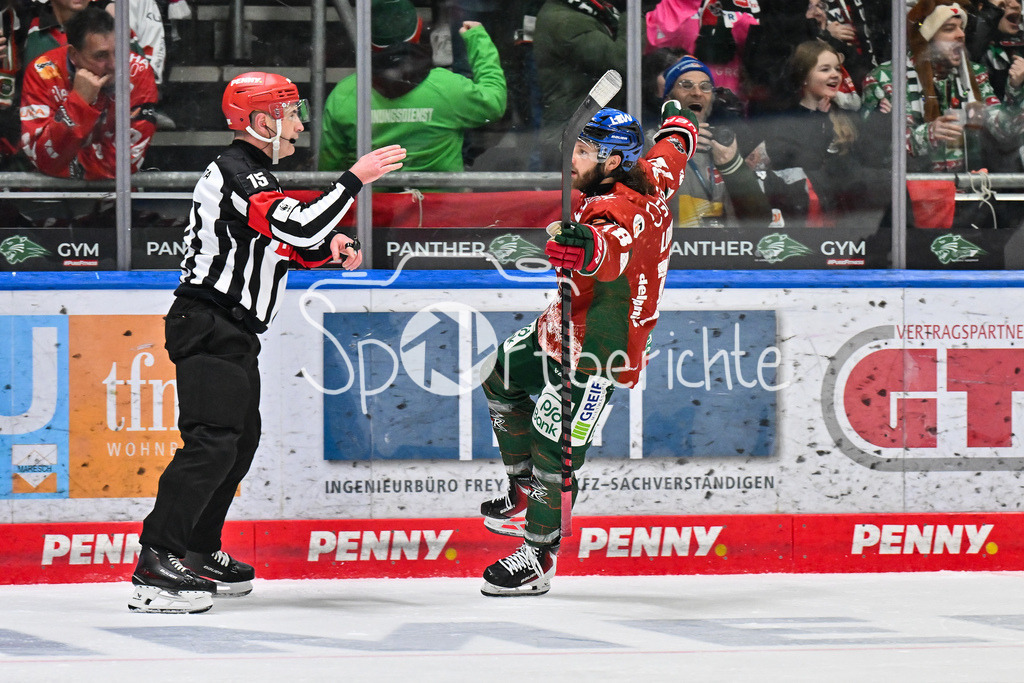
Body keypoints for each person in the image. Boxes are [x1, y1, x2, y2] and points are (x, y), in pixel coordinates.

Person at [128, 71, 406, 614]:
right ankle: (156, 561)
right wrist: (354, 179)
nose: (300, 125)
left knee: (239, 441)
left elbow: (281, 244)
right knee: (212, 442)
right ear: (261, 120)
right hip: (208, 322)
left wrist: (328, 248)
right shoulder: (239, 172)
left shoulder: (253, 175)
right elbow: (297, 229)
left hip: (228, 328)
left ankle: (197, 549)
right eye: (291, 114)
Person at [477, 104, 698, 596]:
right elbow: (676, 147)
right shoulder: (653, 172)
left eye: (583, 152)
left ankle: (538, 557)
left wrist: (583, 248)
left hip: (601, 348)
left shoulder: (615, 209)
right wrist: (679, 119)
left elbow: (611, 249)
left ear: (613, 162)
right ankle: (522, 490)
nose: (572, 159)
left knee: (554, 446)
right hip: (566, 322)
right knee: (501, 374)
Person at [319, 0, 506, 174]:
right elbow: (494, 102)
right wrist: (478, 41)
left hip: (372, 198)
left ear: (367, 40)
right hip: (440, 198)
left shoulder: (345, 94)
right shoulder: (447, 87)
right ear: (418, 31)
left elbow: (329, 167)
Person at [862, 0, 1024, 173]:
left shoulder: (975, 75)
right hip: (910, 188)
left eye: (961, 28)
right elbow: (873, 150)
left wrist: (1015, 89)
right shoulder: (885, 79)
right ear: (927, 38)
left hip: (968, 185)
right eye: (949, 29)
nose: (961, 35)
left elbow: (1004, 132)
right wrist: (928, 134)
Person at [19, 6, 158, 179]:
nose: (114, 65)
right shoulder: (42, 71)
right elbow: (43, 158)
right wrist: (79, 101)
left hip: (115, 191)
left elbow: (123, 163)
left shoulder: (138, 71)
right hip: (51, 190)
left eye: (119, 52)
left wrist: (65, 164)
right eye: (101, 56)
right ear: (74, 55)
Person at [660, 55, 770, 227]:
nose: (697, 93)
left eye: (705, 87)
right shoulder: (651, 144)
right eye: (686, 85)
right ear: (669, 99)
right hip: (675, 243)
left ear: (711, 99)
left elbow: (760, 219)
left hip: (723, 243)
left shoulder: (722, 145)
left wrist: (732, 166)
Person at [533, 0, 626, 168]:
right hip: (577, 132)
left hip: (583, 127)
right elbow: (620, 60)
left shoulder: (586, 11)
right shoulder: (567, 21)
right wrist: (634, 18)